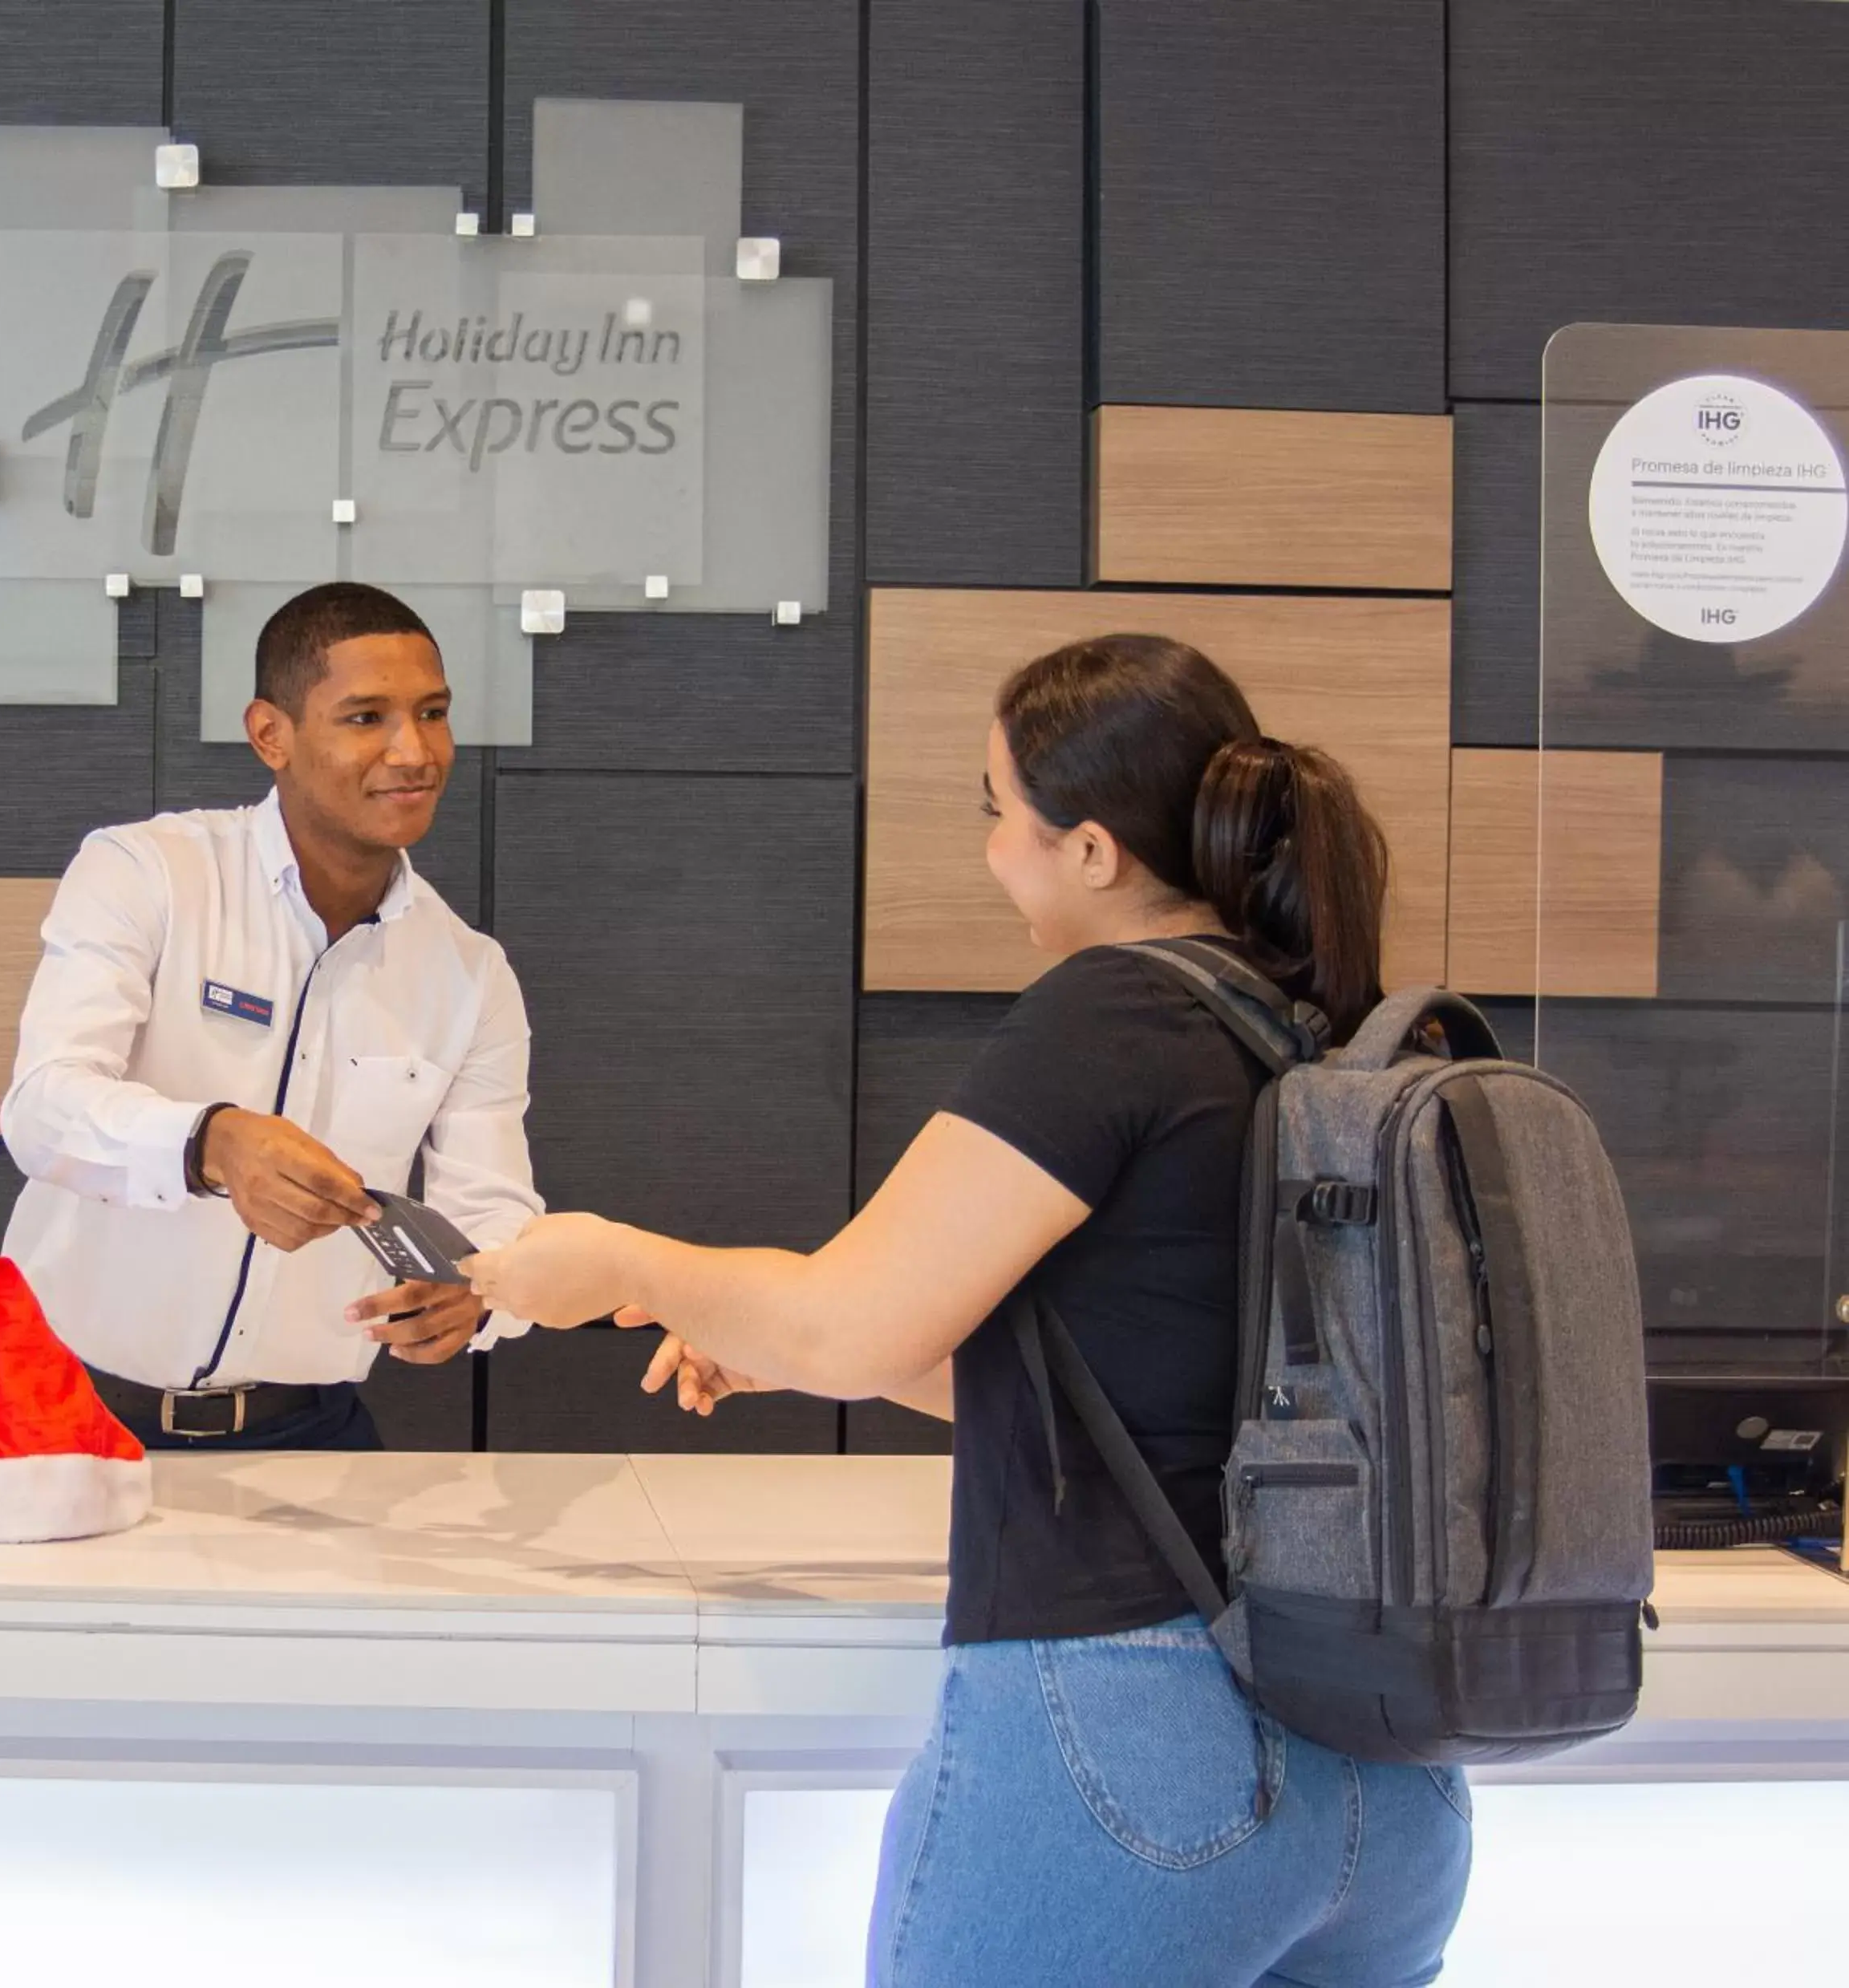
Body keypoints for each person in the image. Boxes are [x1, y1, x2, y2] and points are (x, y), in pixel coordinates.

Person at [468, 635, 1473, 1986]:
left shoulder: (1115, 1011)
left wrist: (618, 1259)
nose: (993, 846)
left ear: (1096, 850)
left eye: (1000, 809)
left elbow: (846, 1320)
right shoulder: (1313, 1028)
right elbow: (1126, 1383)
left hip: (1151, 1758)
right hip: (1389, 1779)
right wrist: (789, 1341)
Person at [0, 581, 540, 1451]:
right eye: (366, 718)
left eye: (433, 713)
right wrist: (213, 1142)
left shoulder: (469, 974)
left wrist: (478, 1292)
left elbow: (494, 1208)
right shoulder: (146, 872)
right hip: (57, 1416)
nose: (415, 751)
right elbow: (43, 1109)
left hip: (309, 1438)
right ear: (271, 734)